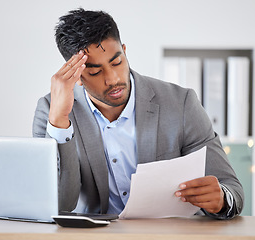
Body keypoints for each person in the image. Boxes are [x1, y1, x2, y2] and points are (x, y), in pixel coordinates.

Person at [33, 8, 243, 219]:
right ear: (76, 75)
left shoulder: (181, 104)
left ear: (124, 51)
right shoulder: (50, 111)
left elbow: (232, 188)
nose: (113, 78)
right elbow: (58, 205)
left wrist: (221, 199)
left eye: (117, 62)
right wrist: (60, 123)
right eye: (96, 71)